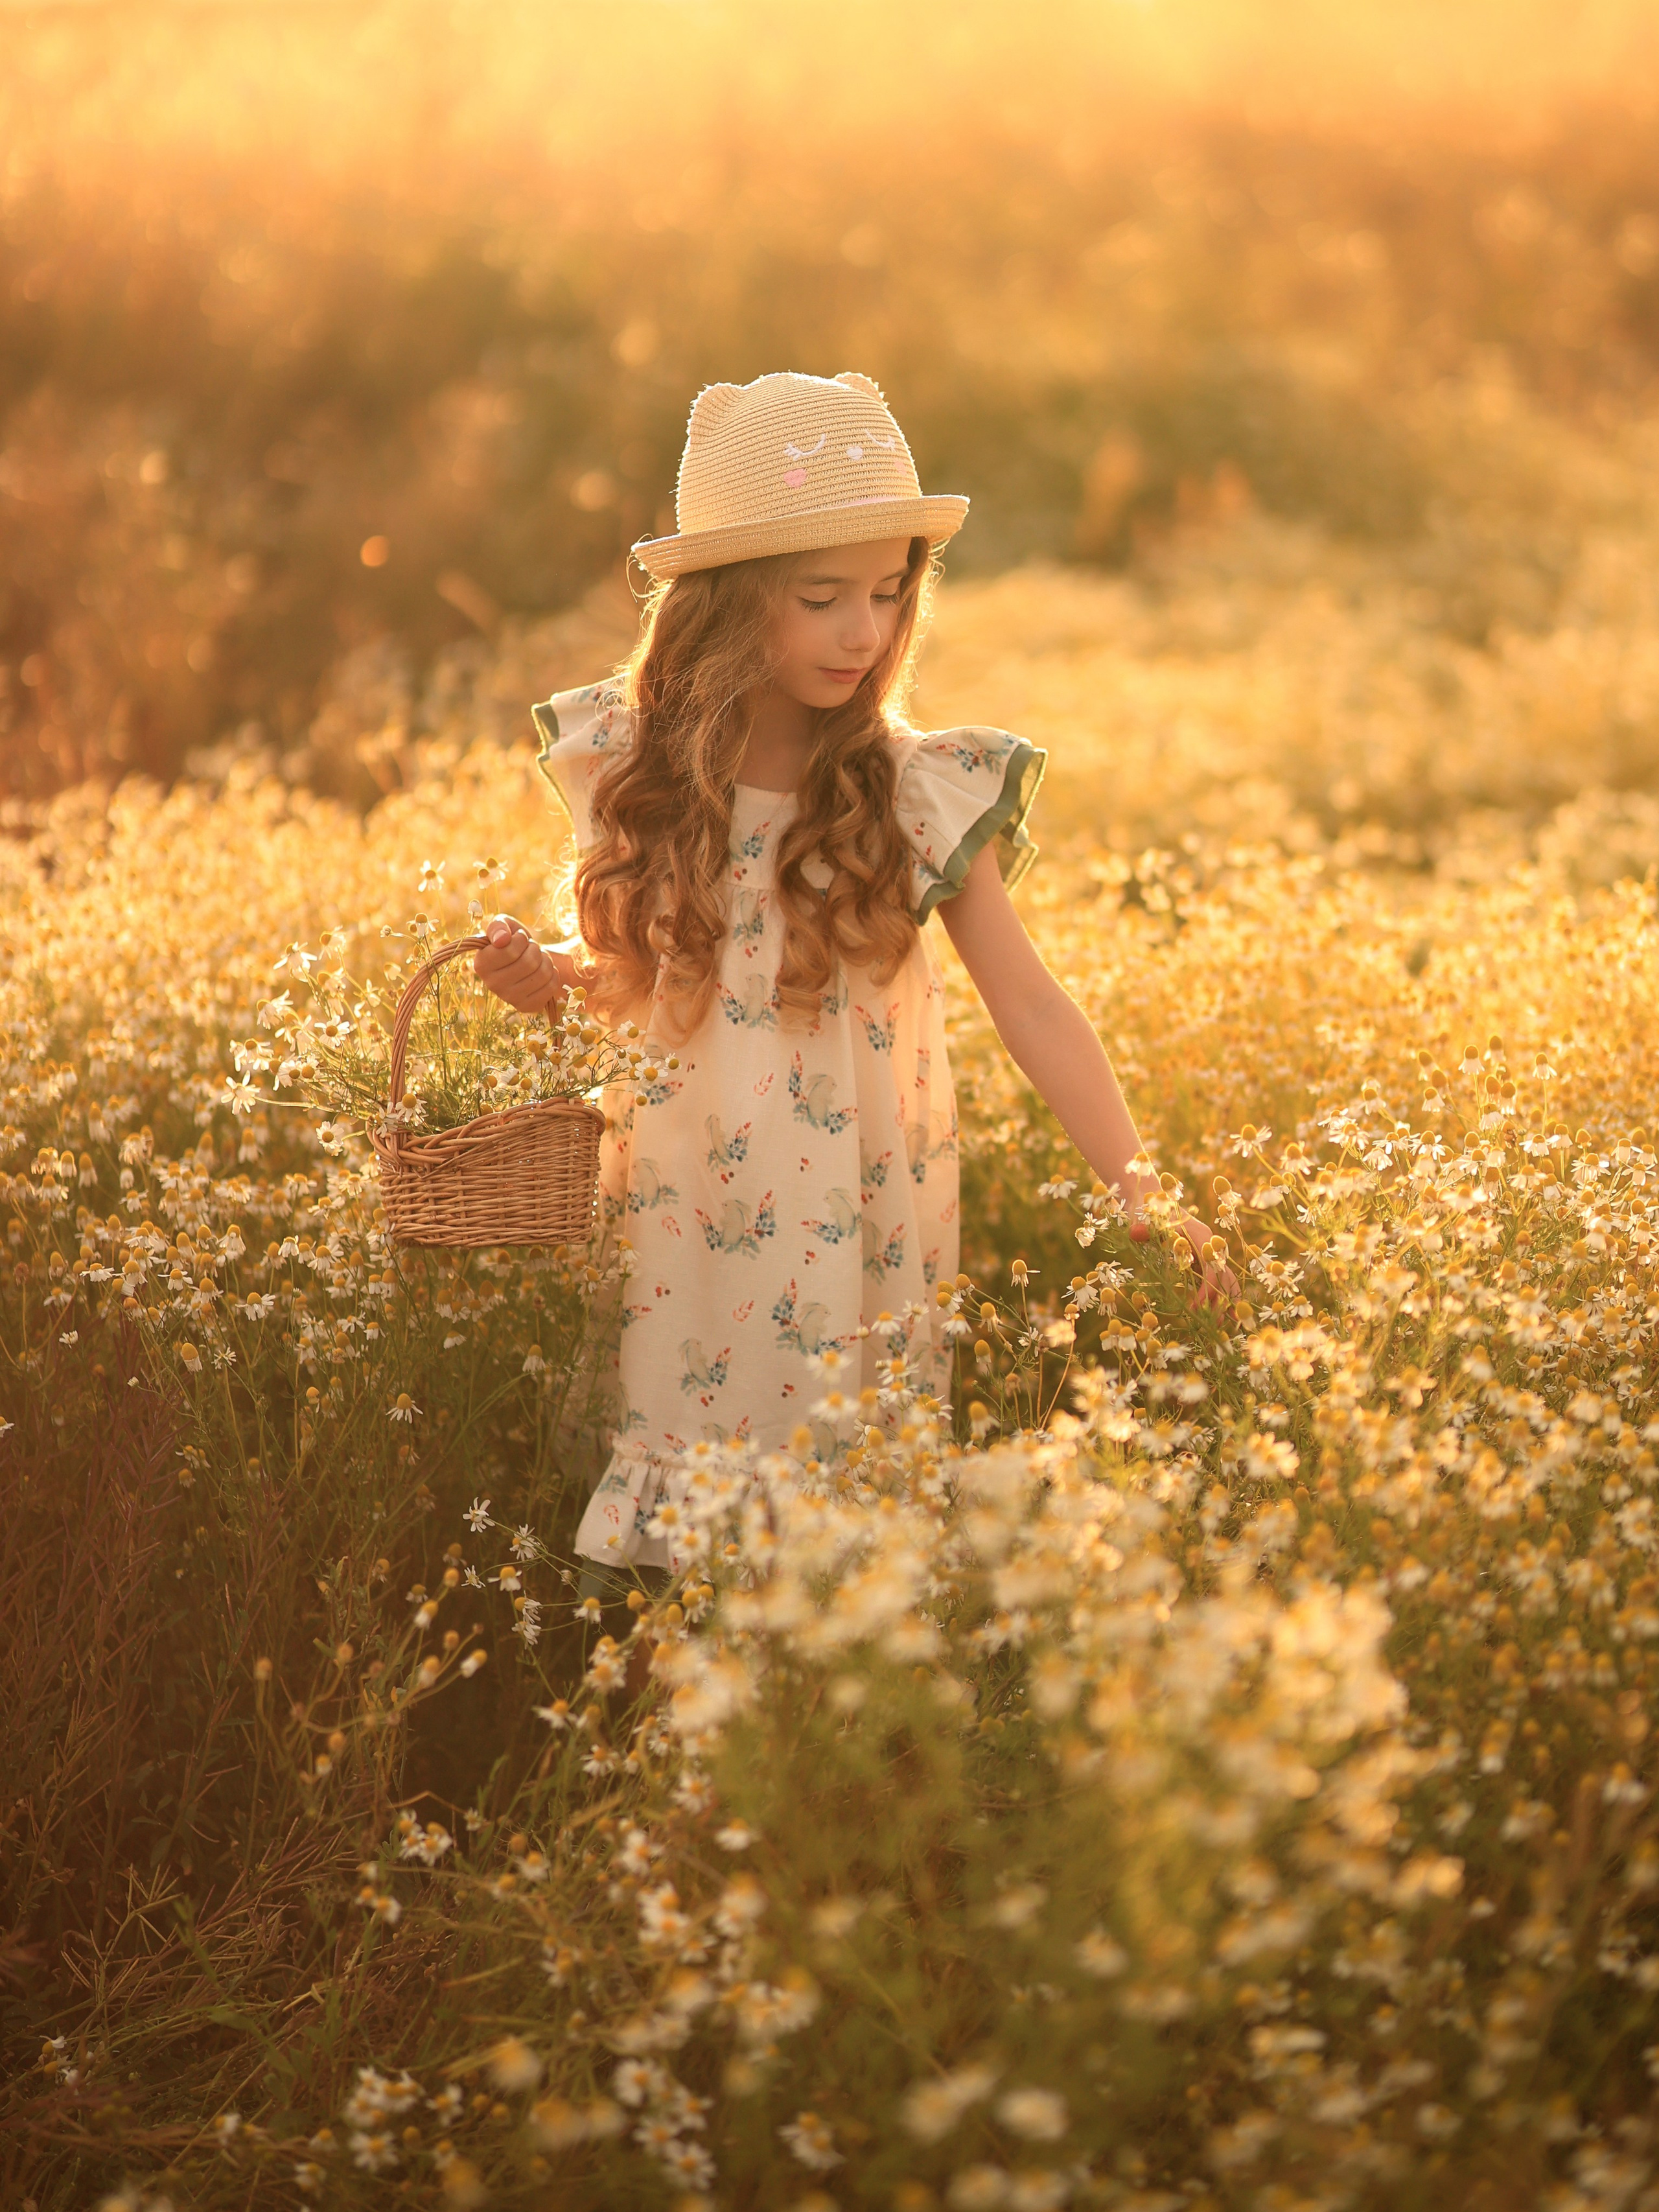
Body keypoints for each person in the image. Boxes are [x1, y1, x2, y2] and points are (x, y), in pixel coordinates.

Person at [474, 370, 1226, 1577]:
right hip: (689, 1206)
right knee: (694, 1533)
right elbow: (637, 969)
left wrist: (1140, 1186)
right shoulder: (636, 768)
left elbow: (1029, 1000)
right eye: (821, 597)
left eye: (887, 593)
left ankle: (822, 1743)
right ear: (721, 609)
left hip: (858, 1203)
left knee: (837, 1516)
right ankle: (681, 1752)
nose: (864, 633)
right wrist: (545, 975)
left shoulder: (914, 785)